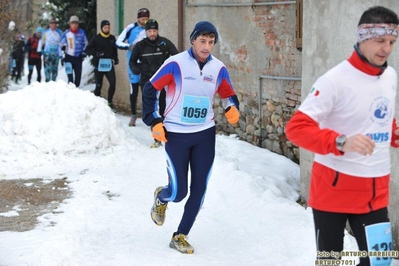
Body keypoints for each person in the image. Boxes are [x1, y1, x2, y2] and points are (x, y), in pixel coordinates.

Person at [285, 6, 399, 266]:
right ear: (362, 37)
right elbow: (296, 128)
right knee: (329, 261)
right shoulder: (335, 80)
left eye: (392, 41)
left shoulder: (390, 76)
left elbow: (380, 117)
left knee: (379, 262)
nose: (386, 48)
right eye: (380, 40)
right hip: (333, 191)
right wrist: (340, 141)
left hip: (375, 192)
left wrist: (394, 133)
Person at [142, 21, 240, 254]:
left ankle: (180, 235)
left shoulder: (218, 68)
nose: (207, 47)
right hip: (176, 134)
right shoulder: (176, 64)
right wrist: (154, 121)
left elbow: (228, 95)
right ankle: (162, 197)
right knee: (178, 193)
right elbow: (150, 89)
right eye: (202, 41)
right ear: (193, 40)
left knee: (199, 190)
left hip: (205, 135)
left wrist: (232, 107)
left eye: (211, 42)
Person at [130, 19, 178, 147]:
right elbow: (132, 62)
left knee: (162, 108)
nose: (152, 33)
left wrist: (171, 71)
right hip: (146, 83)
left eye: (154, 31)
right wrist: (138, 70)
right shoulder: (140, 46)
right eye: (149, 31)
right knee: (151, 110)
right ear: (146, 32)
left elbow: (176, 57)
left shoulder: (164, 43)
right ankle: (157, 138)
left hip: (161, 81)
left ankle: (164, 134)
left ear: (157, 31)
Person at [116, 7, 149, 126]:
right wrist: (129, 46)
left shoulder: (150, 28)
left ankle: (148, 116)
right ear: (138, 18)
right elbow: (118, 42)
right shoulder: (131, 28)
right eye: (142, 19)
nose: (144, 21)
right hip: (133, 63)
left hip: (146, 64)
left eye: (146, 19)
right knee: (134, 90)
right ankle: (133, 115)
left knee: (146, 90)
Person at [85, 20, 119, 109]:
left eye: (108, 27)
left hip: (109, 64)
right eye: (105, 28)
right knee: (98, 85)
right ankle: (96, 104)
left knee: (112, 83)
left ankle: (109, 102)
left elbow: (114, 50)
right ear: (101, 28)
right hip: (98, 64)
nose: (107, 29)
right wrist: (96, 54)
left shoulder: (112, 38)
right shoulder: (96, 38)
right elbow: (87, 49)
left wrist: (116, 58)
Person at [60, 15, 88, 87]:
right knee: (70, 80)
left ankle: (75, 94)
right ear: (70, 24)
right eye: (73, 23)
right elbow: (59, 45)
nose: (74, 25)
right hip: (68, 58)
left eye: (76, 23)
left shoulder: (82, 33)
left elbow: (86, 43)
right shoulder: (66, 33)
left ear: (78, 24)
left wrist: (84, 52)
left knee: (77, 80)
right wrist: (61, 55)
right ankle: (70, 95)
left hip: (78, 58)